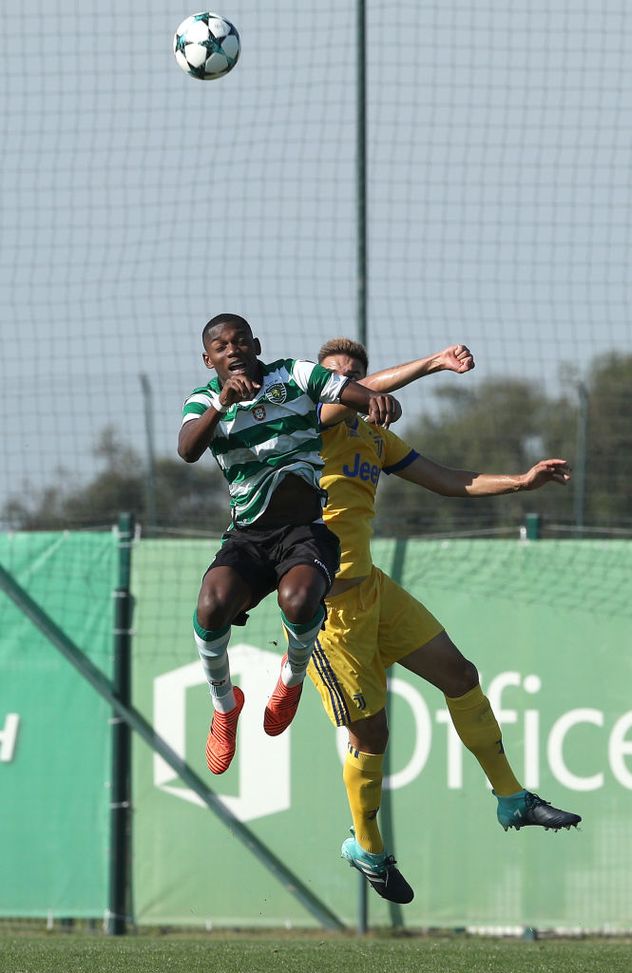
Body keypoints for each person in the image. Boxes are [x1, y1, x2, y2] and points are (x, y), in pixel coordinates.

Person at [305, 336, 581, 905]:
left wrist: (520, 483)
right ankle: (367, 846)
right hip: (325, 609)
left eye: (356, 371)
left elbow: (451, 479)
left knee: (461, 676)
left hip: (374, 592)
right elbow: (340, 397)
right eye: (340, 374)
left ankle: (511, 799)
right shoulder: (309, 423)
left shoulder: (373, 438)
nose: (351, 379)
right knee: (373, 733)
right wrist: (430, 364)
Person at [177, 314, 402, 776]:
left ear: (255, 344)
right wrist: (221, 404)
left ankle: (291, 678)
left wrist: (373, 399)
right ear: (208, 359)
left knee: (299, 601)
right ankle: (224, 708)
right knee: (209, 606)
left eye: (240, 341)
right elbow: (187, 449)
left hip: (304, 529)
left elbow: (346, 391)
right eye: (221, 346)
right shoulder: (204, 401)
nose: (232, 349)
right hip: (248, 536)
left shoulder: (292, 375)